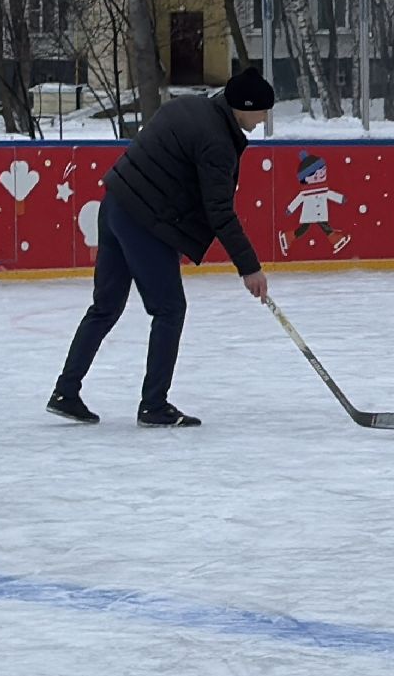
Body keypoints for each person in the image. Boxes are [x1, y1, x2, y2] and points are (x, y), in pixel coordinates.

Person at [47, 69, 274, 427]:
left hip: (115, 204)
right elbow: (219, 211)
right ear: (243, 107)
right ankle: (154, 404)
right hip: (144, 222)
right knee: (169, 309)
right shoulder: (217, 140)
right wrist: (249, 267)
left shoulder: (187, 106)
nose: (264, 120)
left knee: (105, 307)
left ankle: (65, 391)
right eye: (262, 112)